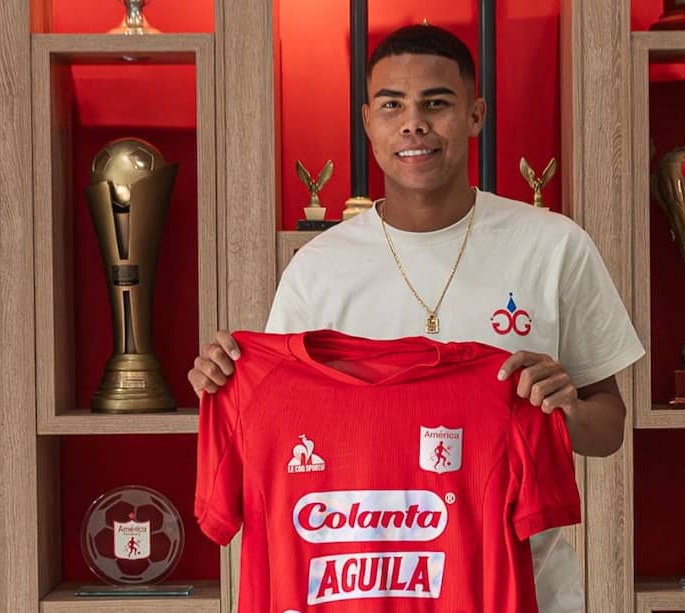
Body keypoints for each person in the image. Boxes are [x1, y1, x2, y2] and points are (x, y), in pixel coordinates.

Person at [188, 24, 644, 613]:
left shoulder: (555, 247)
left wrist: (566, 412)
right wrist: (225, 384)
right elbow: (278, 423)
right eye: (392, 106)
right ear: (367, 122)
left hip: (529, 592)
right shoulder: (318, 268)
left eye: (437, 103)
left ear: (475, 115)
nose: (414, 124)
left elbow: (609, 429)